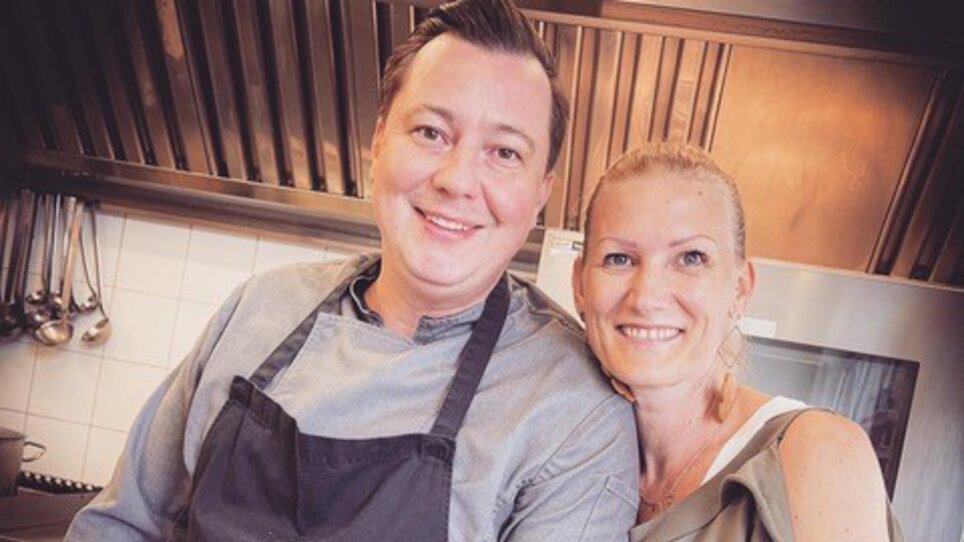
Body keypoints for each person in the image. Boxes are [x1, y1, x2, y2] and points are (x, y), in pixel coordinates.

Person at [66, 1, 639, 540]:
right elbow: (119, 525)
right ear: (378, 144)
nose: (458, 180)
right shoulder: (259, 308)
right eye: (431, 133)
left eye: (504, 152)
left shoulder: (573, 413)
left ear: (540, 196)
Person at [571, 143, 903, 541]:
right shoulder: (572, 463)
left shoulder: (819, 453)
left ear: (739, 290)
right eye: (618, 259)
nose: (646, 296)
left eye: (690, 258)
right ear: (579, 286)